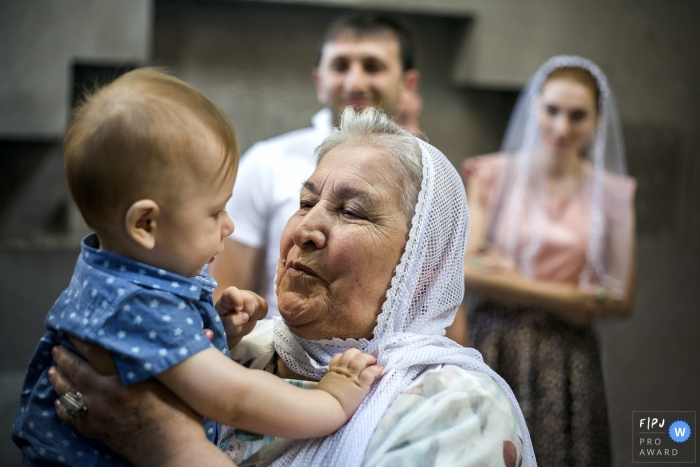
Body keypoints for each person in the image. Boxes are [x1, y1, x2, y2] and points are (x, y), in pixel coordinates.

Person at [48, 107, 538, 467]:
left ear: (424, 267)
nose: (306, 228)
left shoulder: (455, 408)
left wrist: (162, 442)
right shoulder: (235, 349)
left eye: (350, 211)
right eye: (306, 202)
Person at [12, 69, 382, 467]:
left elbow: (150, 363)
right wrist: (332, 400)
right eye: (215, 211)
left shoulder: (116, 277)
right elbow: (235, 398)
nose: (230, 225)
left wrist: (212, 332)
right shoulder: (135, 302)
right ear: (145, 225)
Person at [455, 56, 636, 466]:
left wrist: (512, 278)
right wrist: (568, 299)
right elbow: (466, 269)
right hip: (495, 344)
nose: (562, 127)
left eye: (577, 116)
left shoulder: (614, 194)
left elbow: (622, 298)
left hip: (568, 356)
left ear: (597, 121)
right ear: (535, 106)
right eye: (552, 110)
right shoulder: (489, 174)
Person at [209, 12, 421, 318]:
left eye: (373, 67)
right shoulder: (266, 162)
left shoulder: (428, 179)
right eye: (340, 66)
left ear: (408, 83)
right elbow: (226, 297)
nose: (355, 82)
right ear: (319, 81)